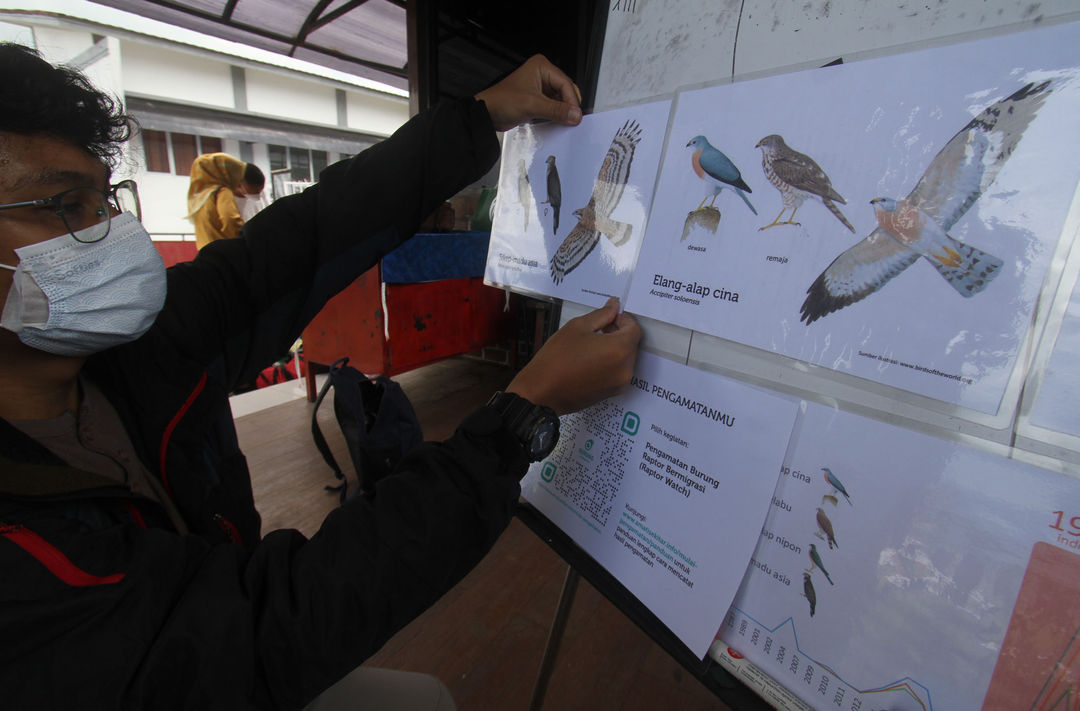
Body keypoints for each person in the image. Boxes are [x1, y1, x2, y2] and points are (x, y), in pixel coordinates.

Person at [0, 42, 640, 710]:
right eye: (65, 206)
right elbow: (269, 626)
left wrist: (477, 120)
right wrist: (520, 414)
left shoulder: (132, 351)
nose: (108, 233)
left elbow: (297, 241)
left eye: (107, 200)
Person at [187, 152, 266, 249]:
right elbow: (230, 220)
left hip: (204, 252)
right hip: (222, 253)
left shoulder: (201, 197)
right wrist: (248, 240)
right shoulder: (223, 192)